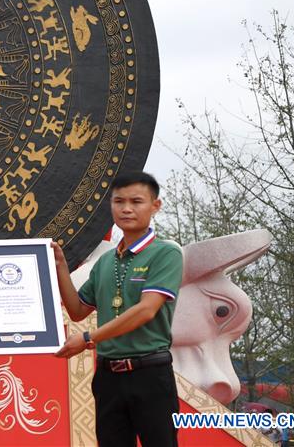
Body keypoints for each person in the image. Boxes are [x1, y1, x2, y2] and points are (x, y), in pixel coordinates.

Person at [51, 171, 183, 447]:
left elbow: (146, 310)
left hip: (150, 374)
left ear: (155, 206)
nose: (126, 209)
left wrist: (89, 339)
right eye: (118, 201)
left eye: (136, 201)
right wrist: (61, 266)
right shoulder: (105, 262)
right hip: (108, 376)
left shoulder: (166, 253)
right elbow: (76, 310)